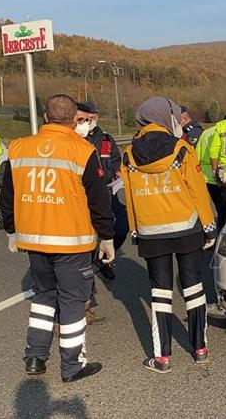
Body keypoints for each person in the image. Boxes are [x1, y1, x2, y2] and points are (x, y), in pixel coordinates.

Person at [0, 94, 115, 383]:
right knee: (73, 301)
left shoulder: (18, 148)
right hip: (72, 242)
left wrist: (12, 230)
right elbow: (98, 200)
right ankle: (72, 365)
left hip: (34, 241)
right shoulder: (82, 150)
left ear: (46, 116)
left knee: (42, 297)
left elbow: (8, 196)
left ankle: (35, 357)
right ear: (75, 118)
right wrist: (107, 236)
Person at [121, 97, 217, 373]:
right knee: (193, 288)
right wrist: (208, 225)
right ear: (166, 117)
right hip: (187, 228)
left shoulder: (128, 154)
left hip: (151, 232)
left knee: (160, 293)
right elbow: (197, 190)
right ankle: (199, 348)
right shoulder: (182, 149)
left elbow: (130, 197)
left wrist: (135, 229)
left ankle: (162, 357)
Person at [75, 101, 129, 324]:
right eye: (86, 117)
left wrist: (117, 171)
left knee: (122, 225)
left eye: (93, 116)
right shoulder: (76, 139)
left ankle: (105, 257)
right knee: (88, 240)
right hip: (86, 195)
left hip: (108, 191)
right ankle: (86, 293)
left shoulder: (105, 138)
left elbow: (115, 158)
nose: (90, 120)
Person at [194, 109, 226, 229]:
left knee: (219, 208)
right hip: (223, 176)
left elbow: (197, 155)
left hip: (207, 178)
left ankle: (219, 229)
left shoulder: (206, 132)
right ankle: (222, 232)